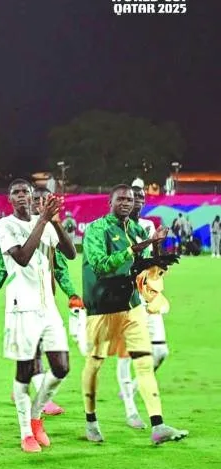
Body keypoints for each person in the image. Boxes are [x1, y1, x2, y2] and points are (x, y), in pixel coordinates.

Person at [81, 185, 187, 445]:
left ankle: (158, 424)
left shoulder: (138, 230)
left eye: (130, 199)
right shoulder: (97, 229)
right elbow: (100, 264)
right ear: (110, 202)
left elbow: (145, 268)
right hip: (102, 307)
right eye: (122, 199)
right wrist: (134, 250)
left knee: (143, 361)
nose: (127, 203)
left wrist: (159, 253)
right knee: (95, 363)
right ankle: (91, 419)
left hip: (131, 305)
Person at [0, 180, 75, 453]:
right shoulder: (5, 226)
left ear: (31, 197)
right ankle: (26, 432)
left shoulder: (45, 223)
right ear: (10, 199)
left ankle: (36, 415)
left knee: (62, 367)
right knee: (25, 372)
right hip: (21, 309)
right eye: (16, 192)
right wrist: (42, 220)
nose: (22, 196)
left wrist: (55, 221)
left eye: (26, 192)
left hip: (48, 307)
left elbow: (70, 253)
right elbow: (23, 257)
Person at [115, 183, 173, 429]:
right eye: (132, 196)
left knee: (160, 352)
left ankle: (131, 389)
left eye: (140, 196)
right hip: (124, 299)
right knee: (127, 354)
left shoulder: (148, 226)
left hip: (147, 298)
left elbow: (155, 265)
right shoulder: (114, 228)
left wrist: (158, 244)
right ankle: (130, 409)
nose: (137, 200)